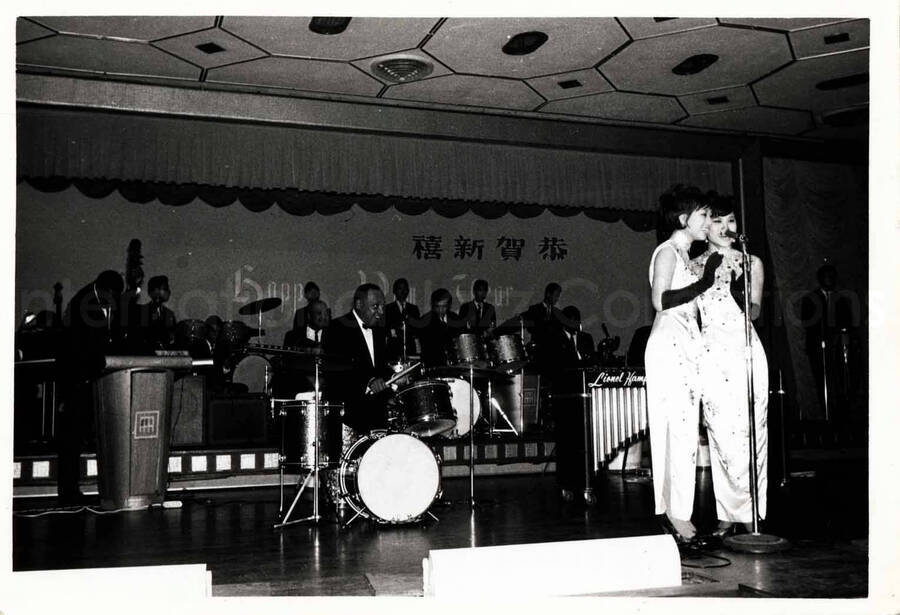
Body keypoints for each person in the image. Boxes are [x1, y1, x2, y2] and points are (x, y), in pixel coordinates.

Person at [644, 185, 721, 542]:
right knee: (675, 431)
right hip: (669, 344)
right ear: (683, 219)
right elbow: (660, 300)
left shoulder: (688, 255)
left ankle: (679, 512)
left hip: (687, 344)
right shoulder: (668, 253)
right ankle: (676, 514)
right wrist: (705, 282)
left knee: (686, 432)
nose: (709, 222)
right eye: (703, 215)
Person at [691, 195, 768, 537]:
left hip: (745, 349)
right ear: (705, 227)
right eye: (718, 221)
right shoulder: (692, 265)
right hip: (711, 352)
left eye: (731, 221)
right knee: (721, 435)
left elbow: (755, 312)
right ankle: (727, 513)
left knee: (753, 432)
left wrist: (740, 289)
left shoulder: (752, 262)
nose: (726, 228)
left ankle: (752, 511)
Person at [56, 270, 125, 504]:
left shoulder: (102, 300)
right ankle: (68, 492)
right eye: (113, 295)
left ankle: (85, 489)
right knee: (72, 437)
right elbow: (78, 345)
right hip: (77, 377)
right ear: (104, 290)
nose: (114, 300)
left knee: (86, 434)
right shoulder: (82, 303)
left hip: (92, 375)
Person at [322, 284, 392, 435]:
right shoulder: (336, 328)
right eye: (375, 306)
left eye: (382, 307)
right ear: (359, 304)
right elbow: (336, 373)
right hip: (347, 419)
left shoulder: (380, 331)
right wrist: (369, 381)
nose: (380, 312)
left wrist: (394, 377)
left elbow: (380, 368)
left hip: (377, 415)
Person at [547, 305, 596, 501]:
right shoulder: (555, 341)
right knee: (566, 444)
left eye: (578, 320)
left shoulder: (586, 339)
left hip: (583, 398)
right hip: (565, 399)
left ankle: (585, 480)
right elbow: (556, 368)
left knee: (584, 443)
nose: (576, 324)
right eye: (572, 321)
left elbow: (591, 362)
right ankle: (566, 484)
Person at [800, 264, 859, 417]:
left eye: (832, 276)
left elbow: (849, 322)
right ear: (820, 279)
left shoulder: (841, 299)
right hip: (819, 349)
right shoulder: (810, 299)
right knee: (822, 383)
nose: (830, 279)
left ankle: (842, 415)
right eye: (826, 276)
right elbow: (807, 322)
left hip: (837, 348)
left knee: (840, 381)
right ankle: (827, 415)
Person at [415, 288, 461, 367]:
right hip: (434, 366)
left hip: (454, 366)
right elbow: (426, 350)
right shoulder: (425, 321)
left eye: (444, 306)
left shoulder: (455, 318)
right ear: (433, 305)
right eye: (437, 307)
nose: (440, 310)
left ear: (449, 305)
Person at [521, 282, 563, 365]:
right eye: (556, 295)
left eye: (558, 296)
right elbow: (531, 328)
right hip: (538, 351)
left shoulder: (557, 313)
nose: (557, 299)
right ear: (548, 294)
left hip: (553, 352)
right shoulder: (534, 309)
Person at [384, 278, 421, 360]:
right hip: (393, 350)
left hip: (410, 349)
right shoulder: (388, 309)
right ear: (394, 291)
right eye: (400, 289)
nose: (403, 292)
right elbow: (385, 328)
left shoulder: (413, 309)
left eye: (405, 289)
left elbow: (417, 329)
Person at [143, 275, 176, 350]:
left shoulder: (169, 314)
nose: (169, 291)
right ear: (156, 291)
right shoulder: (143, 312)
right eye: (166, 288)